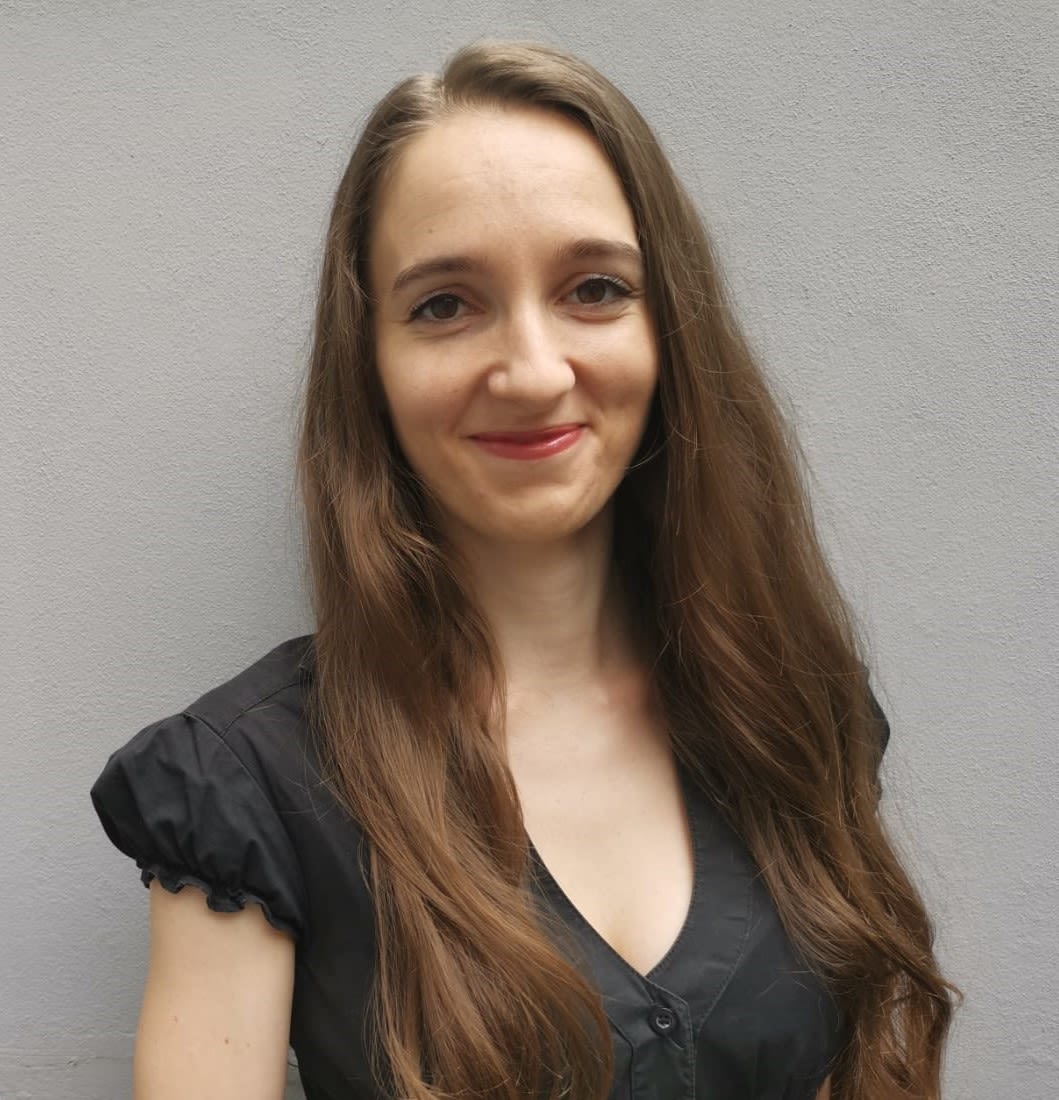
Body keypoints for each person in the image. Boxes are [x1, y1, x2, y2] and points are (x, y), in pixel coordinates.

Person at [90, 40, 957, 1100]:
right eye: (444, 304)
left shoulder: (790, 713)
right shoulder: (245, 785)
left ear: (670, 330)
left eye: (594, 288)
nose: (535, 372)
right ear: (370, 363)